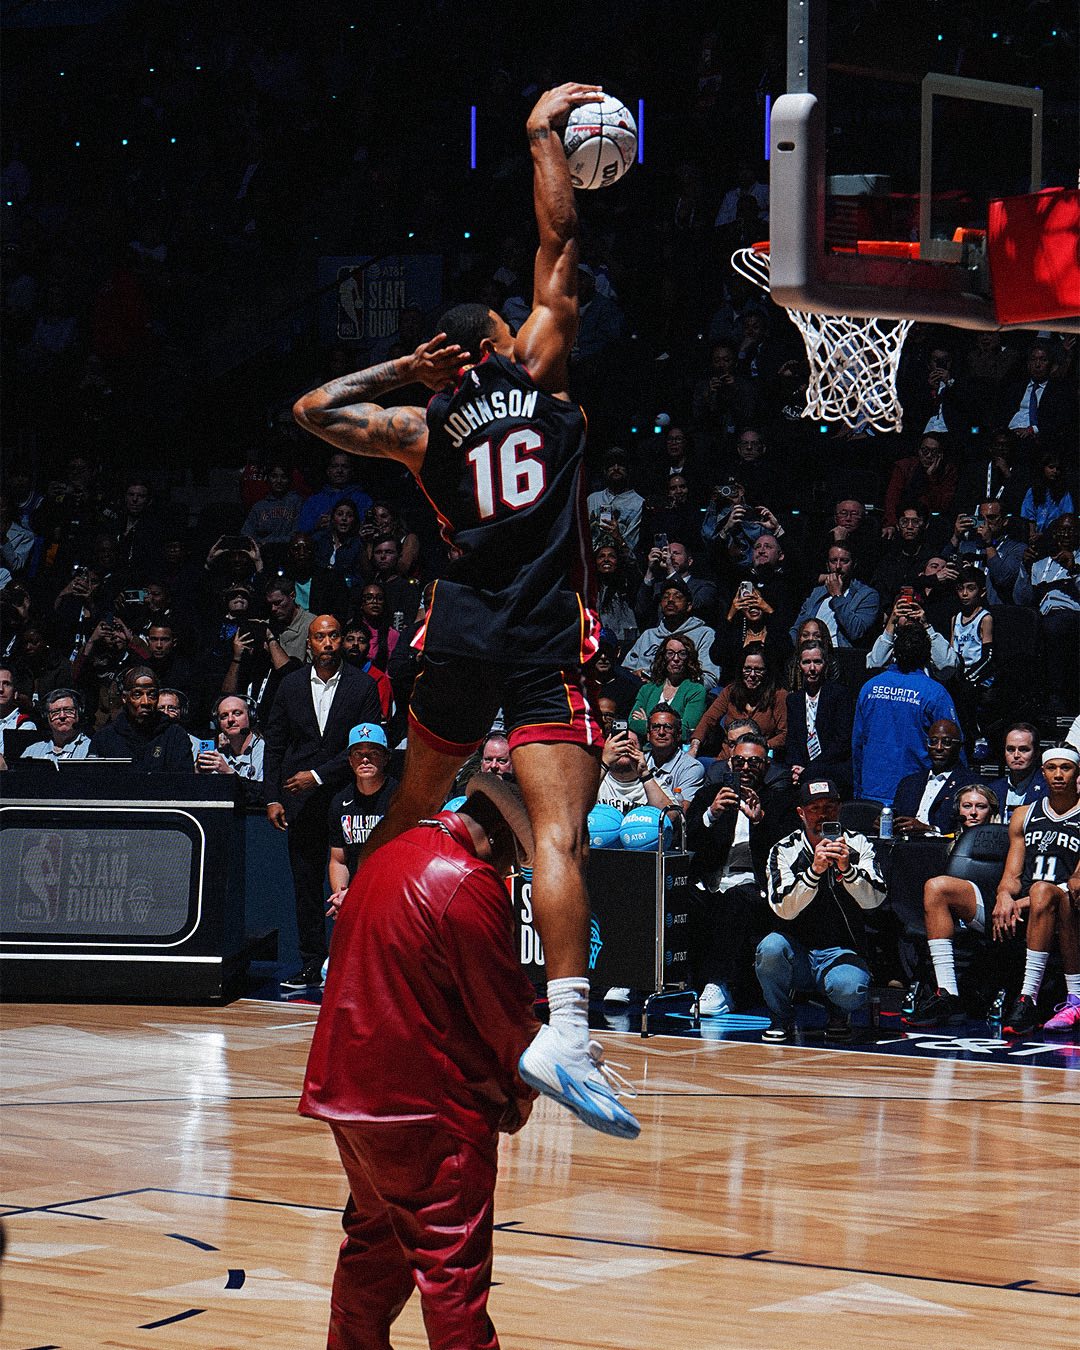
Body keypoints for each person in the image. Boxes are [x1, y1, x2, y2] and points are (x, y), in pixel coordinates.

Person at [292, 83, 638, 1139]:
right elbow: (560, 240)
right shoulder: (541, 367)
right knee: (558, 835)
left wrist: (405, 369)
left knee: (406, 811)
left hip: (459, 629)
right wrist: (541, 136)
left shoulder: (419, 426)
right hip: (543, 628)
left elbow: (313, 410)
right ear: (499, 334)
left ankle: (352, 974)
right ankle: (566, 1032)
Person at [300, 777, 542, 1350]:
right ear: (499, 835)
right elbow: (503, 1010)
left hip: (347, 1094)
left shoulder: (387, 852)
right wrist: (521, 1091)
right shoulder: (469, 880)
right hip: (426, 1107)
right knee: (451, 1272)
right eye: (514, 856)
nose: (511, 870)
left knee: (374, 1246)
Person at [264, 615, 383, 991]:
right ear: (309, 643)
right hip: (299, 801)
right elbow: (275, 743)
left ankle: (360, 963)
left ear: (342, 640)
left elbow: (363, 747)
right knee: (305, 885)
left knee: (359, 884)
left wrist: (316, 775)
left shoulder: (362, 685)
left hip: (350, 798)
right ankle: (311, 963)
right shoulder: (291, 684)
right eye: (320, 637)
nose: (328, 643)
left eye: (333, 636)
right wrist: (272, 797)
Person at [756, 777, 887, 1042]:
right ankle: (780, 1017)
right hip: (796, 951)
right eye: (814, 808)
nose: (822, 814)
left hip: (842, 951)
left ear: (839, 809)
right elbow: (784, 909)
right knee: (769, 949)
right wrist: (814, 871)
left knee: (850, 988)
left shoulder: (859, 844)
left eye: (829, 807)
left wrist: (847, 870)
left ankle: (838, 1013)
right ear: (801, 813)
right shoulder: (783, 850)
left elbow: (874, 900)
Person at [686, 731, 790, 1015]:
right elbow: (688, 839)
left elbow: (786, 852)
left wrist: (760, 821)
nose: (745, 768)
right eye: (739, 761)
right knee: (679, 895)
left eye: (754, 762)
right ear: (730, 763)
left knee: (736, 899)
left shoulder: (779, 800)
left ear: (766, 766)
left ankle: (718, 985)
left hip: (754, 884)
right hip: (711, 879)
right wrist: (711, 814)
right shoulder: (710, 795)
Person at [996, 747, 1080, 1036]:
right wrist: (1004, 896)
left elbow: (1076, 880)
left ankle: (1029, 997)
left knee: (1045, 891)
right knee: (938, 887)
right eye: (1052, 768)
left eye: (1066, 768)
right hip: (1030, 902)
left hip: (1069, 902)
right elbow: (1012, 876)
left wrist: (1024, 901)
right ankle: (949, 996)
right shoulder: (1024, 814)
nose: (1058, 774)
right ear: (1042, 773)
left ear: (1077, 773)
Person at [903, 785, 1003, 1027]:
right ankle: (944, 993)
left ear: (992, 811)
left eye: (981, 807)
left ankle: (949, 991)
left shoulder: (1007, 838)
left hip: (992, 909)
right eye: (967, 806)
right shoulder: (947, 842)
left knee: (938, 886)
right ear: (958, 810)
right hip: (955, 914)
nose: (973, 812)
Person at [852, 623, 961, 805]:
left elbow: (857, 745)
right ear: (927, 655)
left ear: (894, 652)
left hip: (872, 792)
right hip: (915, 796)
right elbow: (954, 745)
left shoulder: (869, 688)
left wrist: (857, 789)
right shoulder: (935, 693)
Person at [326, 723, 399, 913]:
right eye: (358, 753)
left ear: (386, 758)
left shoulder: (400, 799)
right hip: (355, 897)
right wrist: (340, 895)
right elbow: (338, 860)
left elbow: (406, 862)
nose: (365, 759)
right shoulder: (340, 802)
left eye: (373, 752)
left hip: (394, 896)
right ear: (350, 760)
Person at [689, 643, 786, 757]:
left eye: (759, 670)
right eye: (747, 669)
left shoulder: (779, 696)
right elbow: (709, 719)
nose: (752, 674)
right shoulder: (730, 691)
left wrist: (759, 746)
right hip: (726, 757)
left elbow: (784, 734)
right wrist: (694, 747)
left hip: (758, 758)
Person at [88, 666, 194, 770]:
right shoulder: (105, 738)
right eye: (137, 695)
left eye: (151, 695)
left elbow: (184, 778)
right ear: (125, 698)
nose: (145, 702)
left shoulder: (175, 736)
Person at [783, 642, 854, 795]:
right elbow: (792, 739)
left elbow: (842, 741)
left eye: (817, 662)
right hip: (803, 769)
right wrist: (796, 766)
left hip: (832, 767)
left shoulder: (839, 695)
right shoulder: (794, 700)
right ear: (799, 665)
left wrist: (810, 769)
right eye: (806, 662)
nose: (812, 668)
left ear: (825, 664)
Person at [621, 577, 719, 686]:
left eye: (677, 597)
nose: (670, 600)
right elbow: (624, 671)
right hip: (642, 691)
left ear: (689, 606)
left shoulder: (704, 634)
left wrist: (666, 686)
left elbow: (710, 679)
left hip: (681, 693)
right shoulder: (648, 635)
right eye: (665, 597)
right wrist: (634, 675)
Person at [892, 719, 978, 836]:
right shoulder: (909, 783)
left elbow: (970, 829)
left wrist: (929, 829)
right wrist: (887, 823)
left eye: (947, 742)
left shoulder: (971, 785)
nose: (938, 747)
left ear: (959, 747)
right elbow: (897, 817)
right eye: (933, 741)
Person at [789, 544, 881, 651]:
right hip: (809, 652)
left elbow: (856, 632)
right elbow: (797, 629)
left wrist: (837, 595)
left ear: (854, 564)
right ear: (827, 565)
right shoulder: (817, 593)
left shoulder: (867, 595)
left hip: (842, 653)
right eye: (833, 561)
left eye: (844, 561)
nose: (838, 566)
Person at [627, 635, 707, 744]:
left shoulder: (696, 690)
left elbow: (685, 731)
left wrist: (647, 722)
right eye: (670, 653)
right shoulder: (647, 689)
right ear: (663, 657)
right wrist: (673, 725)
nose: (676, 658)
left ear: (689, 658)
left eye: (682, 654)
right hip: (646, 749)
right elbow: (632, 722)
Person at [197, 694, 265, 782]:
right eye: (224, 716)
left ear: (251, 716)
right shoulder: (218, 755)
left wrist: (228, 773)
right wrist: (198, 772)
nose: (230, 719)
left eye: (237, 713)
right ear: (218, 724)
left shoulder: (266, 752)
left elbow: (266, 789)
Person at [19, 687, 91, 762]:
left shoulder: (90, 748)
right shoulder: (32, 751)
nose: (62, 716)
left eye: (68, 710)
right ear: (46, 716)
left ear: (79, 713)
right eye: (55, 712)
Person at [988, 722, 1044, 814]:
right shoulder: (993, 789)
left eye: (1024, 749)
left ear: (1037, 753)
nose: (1016, 755)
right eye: (1011, 749)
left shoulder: (1048, 790)